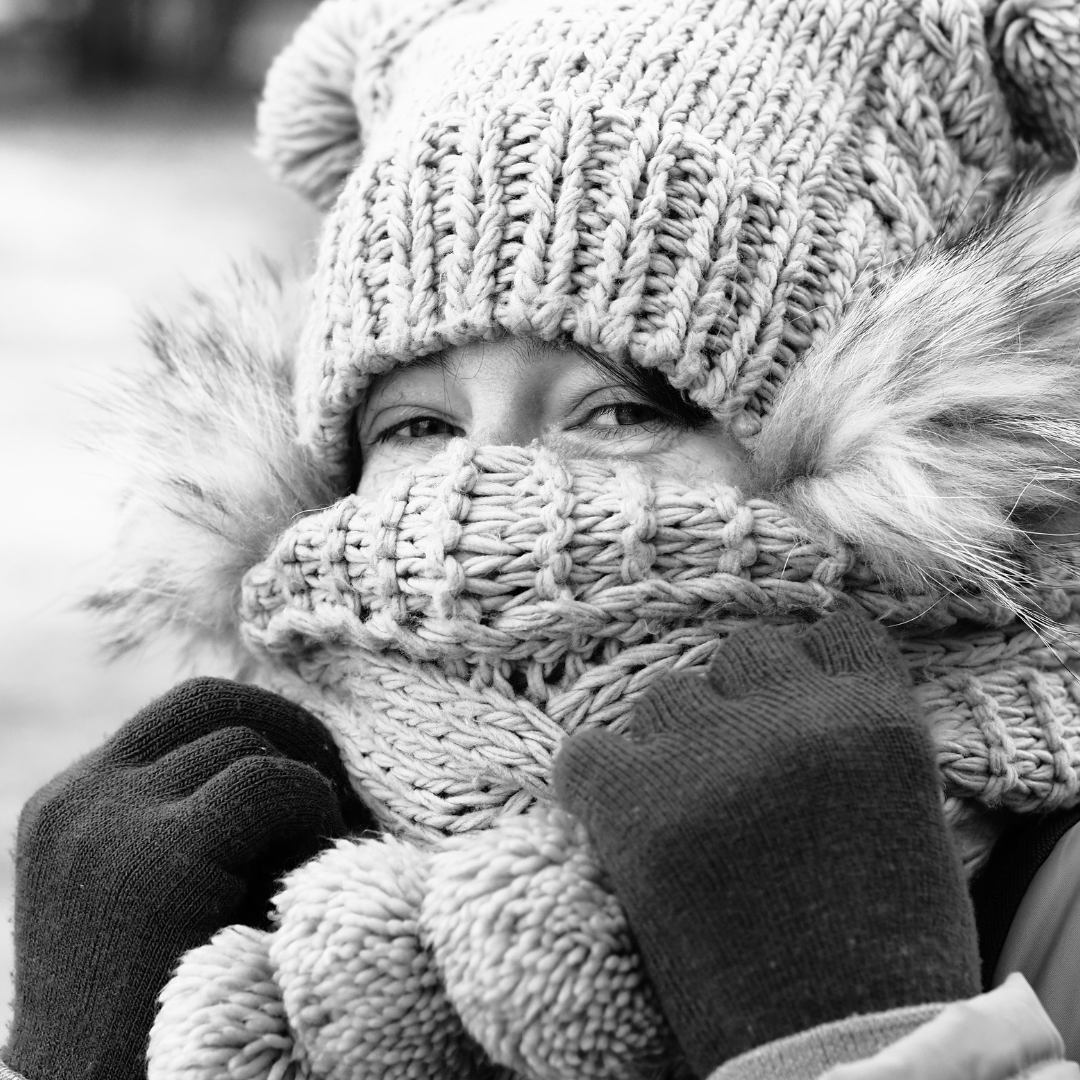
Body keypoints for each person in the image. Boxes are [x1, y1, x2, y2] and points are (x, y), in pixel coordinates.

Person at [6, 0, 1080, 1077]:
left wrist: (859, 1028)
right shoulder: (259, 875)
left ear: (879, 449)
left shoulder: (1057, 893)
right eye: (416, 426)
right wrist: (71, 1054)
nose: (484, 492)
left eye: (618, 411)